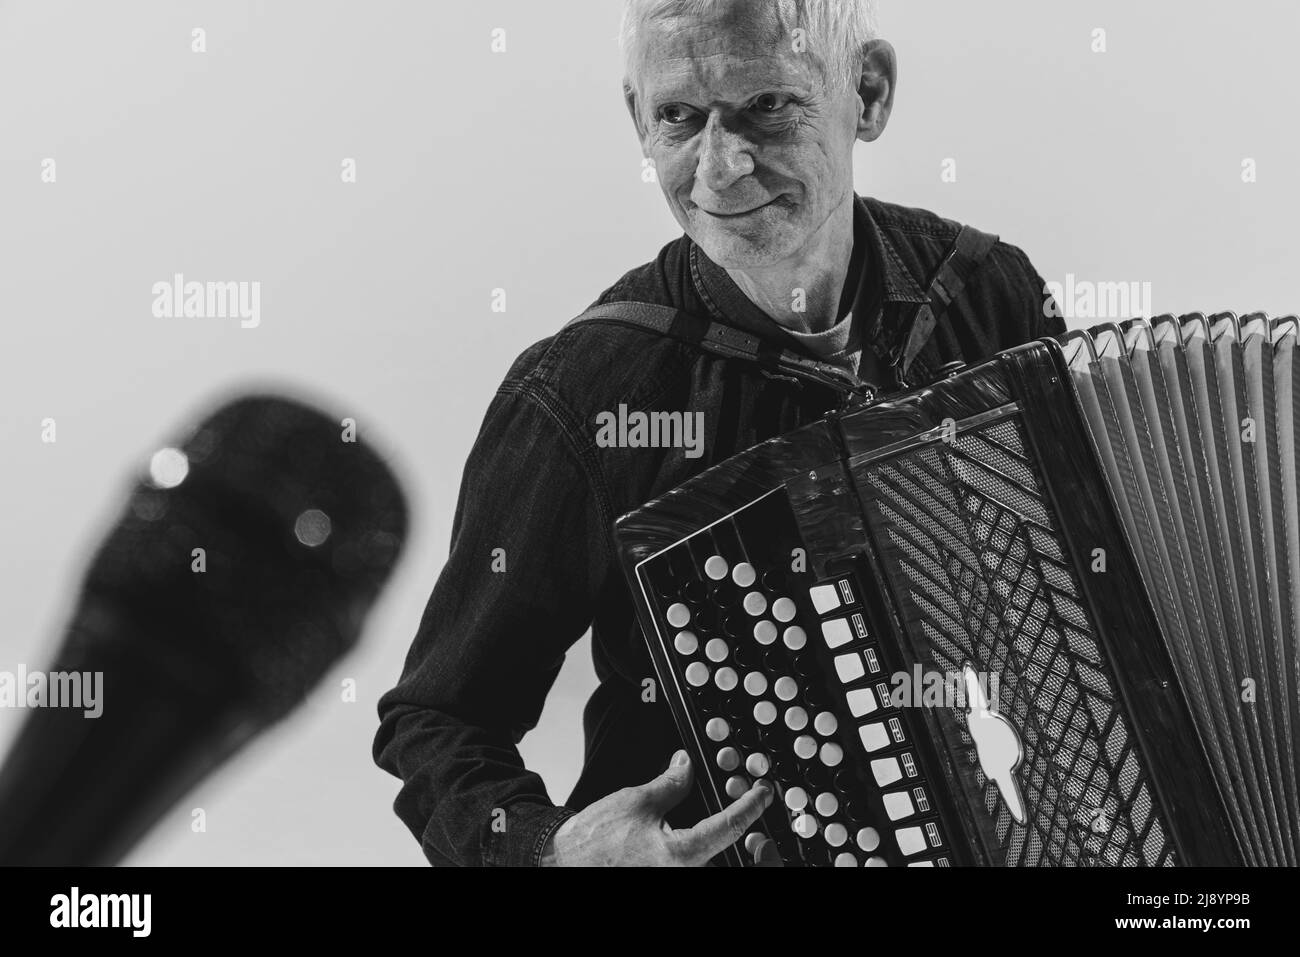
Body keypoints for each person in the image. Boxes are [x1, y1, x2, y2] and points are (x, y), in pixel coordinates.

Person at [373, 0, 1063, 866]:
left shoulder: (987, 292)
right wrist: (548, 849)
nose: (721, 168)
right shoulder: (587, 389)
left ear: (869, 92)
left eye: (767, 106)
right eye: (679, 118)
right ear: (639, 119)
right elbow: (439, 717)